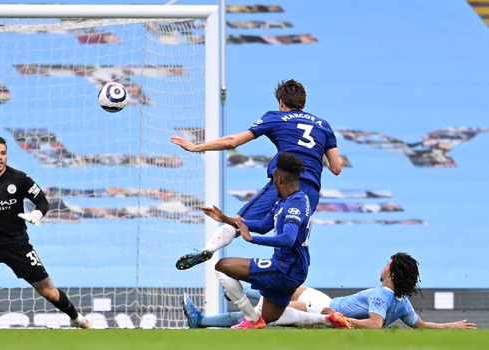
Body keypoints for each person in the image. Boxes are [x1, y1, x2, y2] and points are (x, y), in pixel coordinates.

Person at [172, 79, 342, 270]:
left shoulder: (275, 117)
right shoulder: (323, 125)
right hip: (310, 191)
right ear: (303, 102)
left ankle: (210, 248)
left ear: (281, 102)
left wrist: (196, 147)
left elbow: (232, 142)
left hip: (285, 182)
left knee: (241, 221)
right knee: (291, 249)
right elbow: (336, 168)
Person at [0, 137, 92, 328]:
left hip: (17, 244)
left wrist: (37, 214)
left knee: (49, 292)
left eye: (3, 153)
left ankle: (76, 318)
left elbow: (43, 201)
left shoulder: (19, 178)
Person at [201, 153, 337, 329]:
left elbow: (288, 239)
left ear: (278, 179)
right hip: (294, 268)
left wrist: (252, 239)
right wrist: (225, 218)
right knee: (269, 317)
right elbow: (264, 224)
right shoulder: (288, 200)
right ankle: (328, 320)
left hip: (285, 268)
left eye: (273, 179)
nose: (272, 183)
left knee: (223, 266)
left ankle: (251, 321)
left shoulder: (294, 205)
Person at [182, 253, 476, 330]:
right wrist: (452, 325)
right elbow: (422, 327)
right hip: (322, 301)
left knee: (261, 315)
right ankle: (242, 294)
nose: (382, 268)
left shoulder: (383, 295)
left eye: (386, 265)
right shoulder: (401, 303)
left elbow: (373, 325)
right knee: (279, 293)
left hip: (320, 310)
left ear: (393, 273)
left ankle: (207, 318)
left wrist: (339, 316)